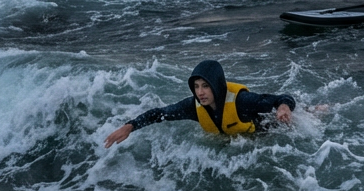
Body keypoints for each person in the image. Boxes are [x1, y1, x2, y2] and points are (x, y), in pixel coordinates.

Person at [104, 59, 295, 147]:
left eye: (205, 86)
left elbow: (281, 99)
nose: (200, 92)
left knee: (304, 115)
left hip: (268, 131)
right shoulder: (193, 108)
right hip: (234, 138)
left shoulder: (242, 101)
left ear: (217, 86)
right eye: (196, 86)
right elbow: (159, 114)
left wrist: (284, 108)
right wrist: (130, 126)